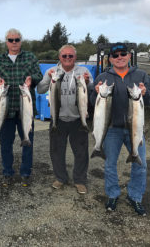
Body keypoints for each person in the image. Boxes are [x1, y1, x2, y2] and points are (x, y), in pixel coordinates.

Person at [89, 43, 150, 216]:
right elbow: (93, 102)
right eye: (115, 55)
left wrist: (146, 94)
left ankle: (135, 196)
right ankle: (113, 194)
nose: (120, 57)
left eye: (123, 54)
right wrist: (96, 92)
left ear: (129, 56)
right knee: (109, 165)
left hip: (135, 129)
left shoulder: (141, 74)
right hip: (112, 129)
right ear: (110, 59)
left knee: (141, 165)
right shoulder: (102, 76)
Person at [37, 45, 93, 194]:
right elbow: (40, 89)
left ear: (75, 57)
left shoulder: (84, 71)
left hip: (78, 119)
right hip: (58, 119)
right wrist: (48, 78)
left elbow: (94, 91)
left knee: (81, 152)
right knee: (56, 151)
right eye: (64, 56)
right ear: (59, 57)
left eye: (71, 56)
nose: (67, 58)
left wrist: (88, 83)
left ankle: (80, 180)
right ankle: (60, 178)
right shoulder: (53, 72)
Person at [0, 28, 42, 187]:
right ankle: (7, 172)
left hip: (25, 109)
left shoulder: (30, 57)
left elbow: (39, 76)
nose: (14, 43)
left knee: (27, 142)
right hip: (6, 109)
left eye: (17, 40)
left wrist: (30, 80)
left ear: (21, 41)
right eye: (11, 40)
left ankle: (25, 173)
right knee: (6, 144)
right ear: (6, 42)